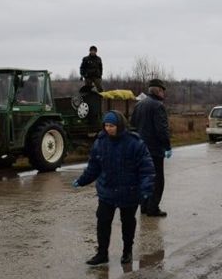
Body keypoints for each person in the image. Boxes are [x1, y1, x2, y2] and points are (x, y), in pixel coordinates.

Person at [72, 111, 155, 265]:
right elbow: (94, 167)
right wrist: (82, 180)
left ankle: (127, 251)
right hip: (107, 191)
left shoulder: (135, 143)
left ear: (120, 125)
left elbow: (146, 169)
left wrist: (146, 190)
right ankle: (102, 253)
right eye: (106, 125)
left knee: (128, 223)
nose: (108, 129)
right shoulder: (100, 143)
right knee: (103, 222)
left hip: (129, 191)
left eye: (112, 126)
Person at [130, 78, 172, 217]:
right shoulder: (158, 106)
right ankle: (153, 208)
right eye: (163, 91)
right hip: (154, 150)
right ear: (158, 91)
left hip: (140, 149)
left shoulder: (139, 104)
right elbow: (162, 130)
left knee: (144, 178)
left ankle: (144, 206)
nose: (164, 94)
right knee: (157, 180)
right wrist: (167, 146)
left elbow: (132, 125)